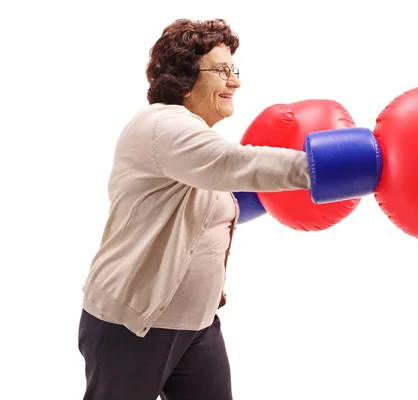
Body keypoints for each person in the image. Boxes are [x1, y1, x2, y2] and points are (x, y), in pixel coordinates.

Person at [78, 18, 311, 400]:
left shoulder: (192, 140)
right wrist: (339, 166)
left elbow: (217, 206)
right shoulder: (162, 125)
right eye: (222, 71)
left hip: (197, 325)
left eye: (234, 70)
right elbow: (236, 165)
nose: (234, 81)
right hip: (132, 324)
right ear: (184, 76)